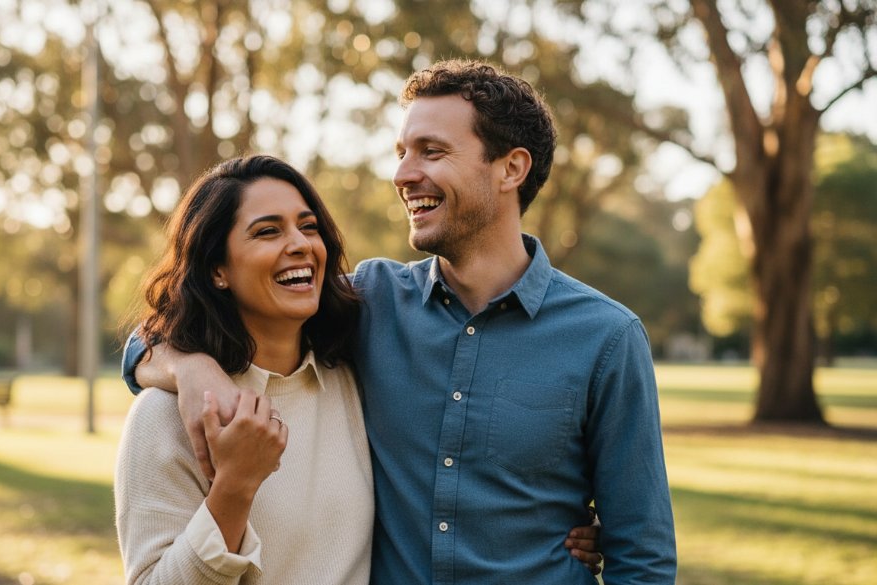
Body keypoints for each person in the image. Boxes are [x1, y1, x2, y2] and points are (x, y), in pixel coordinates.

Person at [126, 60, 672, 583]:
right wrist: (192, 369)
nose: (404, 175)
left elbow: (641, 556)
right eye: (402, 152)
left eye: (431, 152)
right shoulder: (370, 302)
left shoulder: (606, 339)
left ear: (512, 168)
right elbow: (184, 321)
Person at [115, 156, 374, 584]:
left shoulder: (352, 374)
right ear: (218, 270)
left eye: (308, 227)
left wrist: (183, 362)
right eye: (267, 231)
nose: (300, 244)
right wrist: (235, 485)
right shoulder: (164, 415)